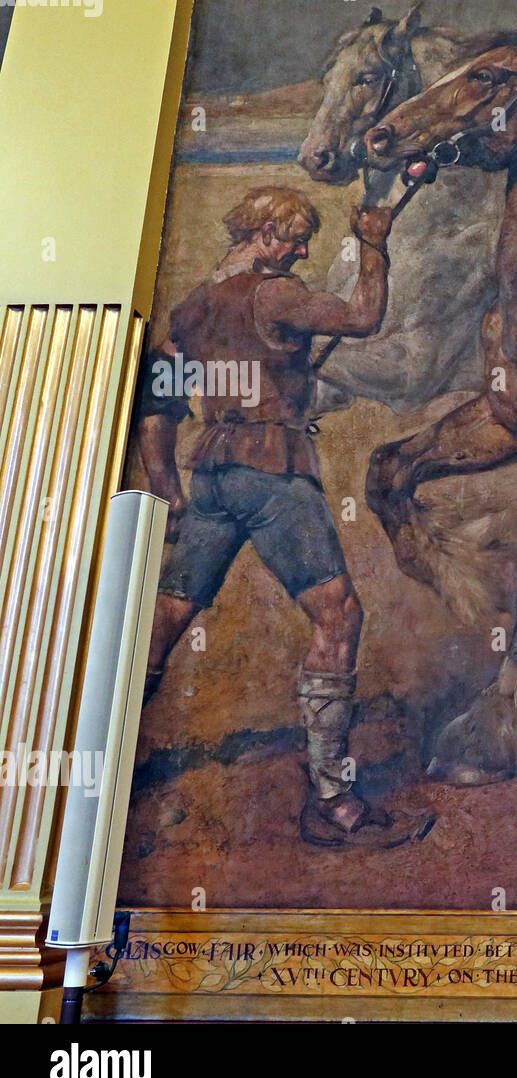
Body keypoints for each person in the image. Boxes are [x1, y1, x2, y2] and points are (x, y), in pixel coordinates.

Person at [135, 185, 407, 848]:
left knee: (168, 615)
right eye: (294, 237)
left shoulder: (191, 307)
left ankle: (105, 764)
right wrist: (373, 244)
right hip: (273, 474)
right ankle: (334, 803)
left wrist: (168, 486)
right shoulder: (275, 295)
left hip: (215, 476)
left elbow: (155, 404)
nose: (303, 250)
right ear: (262, 234)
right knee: (339, 614)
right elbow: (365, 316)